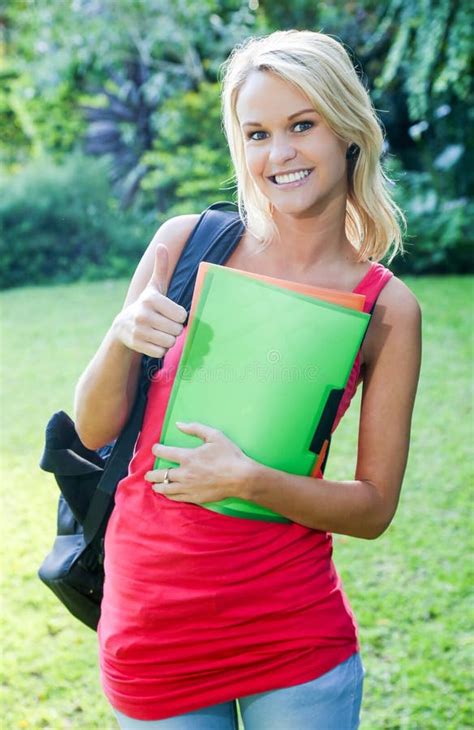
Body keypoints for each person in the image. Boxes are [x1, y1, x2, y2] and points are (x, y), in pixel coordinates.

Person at [74, 29, 422, 730]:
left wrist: (248, 481)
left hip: (294, 635)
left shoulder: (386, 307)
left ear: (347, 131)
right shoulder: (185, 244)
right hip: (154, 629)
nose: (280, 153)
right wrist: (120, 338)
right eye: (257, 133)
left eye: (302, 125)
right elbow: (91, 429)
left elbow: (375, 507)